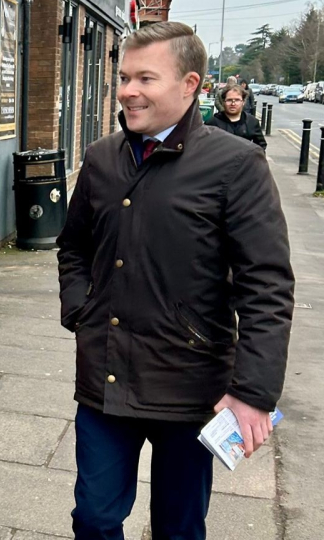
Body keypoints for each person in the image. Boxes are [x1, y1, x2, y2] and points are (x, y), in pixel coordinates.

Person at [56, 22, 294, 540]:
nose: (127, 91)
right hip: (105, 378)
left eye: (145, 78)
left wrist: (253, 391)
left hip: (191, 387)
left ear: (190, 84)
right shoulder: (101, 159)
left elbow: (267, 286)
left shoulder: (237, 165)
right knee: (94, 520)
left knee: (179, 527)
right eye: (123, 77)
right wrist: (80, 308)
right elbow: (73, 246)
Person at [206, 84, 266, 151]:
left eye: (237, 100)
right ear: (223, 102)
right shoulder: (212, 123)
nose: (233, 104)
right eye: (229, 100)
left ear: (243, 102)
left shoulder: (252, 122)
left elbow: (261, 146)